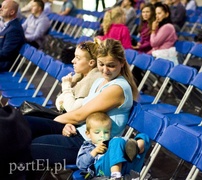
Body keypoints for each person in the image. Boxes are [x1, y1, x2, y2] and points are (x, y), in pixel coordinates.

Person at [26, 39, 138, 168]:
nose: (105, 70)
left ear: (122, 63)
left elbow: (79, 115)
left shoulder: (118, 88)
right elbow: (82, 111)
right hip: (80, 129)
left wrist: (55, 122)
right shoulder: (100, 81)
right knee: (24, 124)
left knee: (31, 145)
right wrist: (67, 123)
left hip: (91, 144)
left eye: (111, 65)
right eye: (101, 64)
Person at [76, 112, 150, 179]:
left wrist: (134, 144)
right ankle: (115, 175)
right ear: (88, 134)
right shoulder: (88, 147)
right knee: (117, 141)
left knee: (143, 136)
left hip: (128, 169)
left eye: (106, 132)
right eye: (97, 132)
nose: (102, 136)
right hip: (103, 171)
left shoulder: (112, 142)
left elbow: (125, 142)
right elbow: (81, 165)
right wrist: (94, 152)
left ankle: (138, 147)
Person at [55, 41, 102, 113]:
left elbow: (72, 109)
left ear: (91, 63)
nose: (73, 61)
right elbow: (58, 101)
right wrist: (63, 106)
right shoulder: (79, 76)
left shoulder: (92, 81)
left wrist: (66, 87)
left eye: (78, 58)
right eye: (74, 57)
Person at [0, 0, 25, 72]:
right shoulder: (9, 25)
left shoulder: (14, 30)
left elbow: (6, 53)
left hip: (5, 66)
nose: (0, 9)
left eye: (4, 8)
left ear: (12, 12)